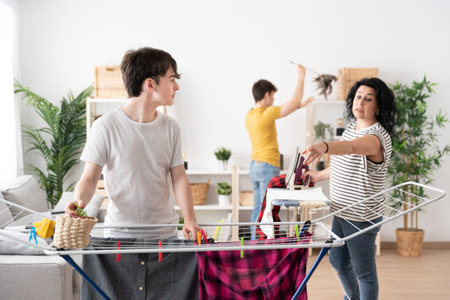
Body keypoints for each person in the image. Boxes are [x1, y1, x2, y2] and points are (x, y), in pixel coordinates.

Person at [65, 47, 200, 240]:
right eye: (171, 79)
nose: (176, 86)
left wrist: (189, 219)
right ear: (150, 84)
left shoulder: (171, 127)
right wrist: (78, 203)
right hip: (120, 236)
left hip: (165, 235)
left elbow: (179, 177)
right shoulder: (105, 126)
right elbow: (89, 178)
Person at [302, 77, 396, 300]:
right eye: (358, 96)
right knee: (338, 261)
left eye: (368, 99)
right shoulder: (352, 129)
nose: (360, 102)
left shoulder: (376, 138)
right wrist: (317, 175)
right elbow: (344, 166)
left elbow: (352, 148)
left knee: (364, 273)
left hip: (361, 216)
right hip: (342, 211)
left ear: (379, 106)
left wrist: (324, 146)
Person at [245, 64, 313, 240]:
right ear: (267, 95)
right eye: (273, 96)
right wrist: (301, 77)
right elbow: (293, 101)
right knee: (266, 210)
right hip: (268, 166)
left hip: (255, 167)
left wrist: (298, 106)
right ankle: (259, 247)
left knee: (258, 208)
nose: (274, 100)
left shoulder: (250, 115)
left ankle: (254, 244)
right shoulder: (266, 114)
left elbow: (294, 104)